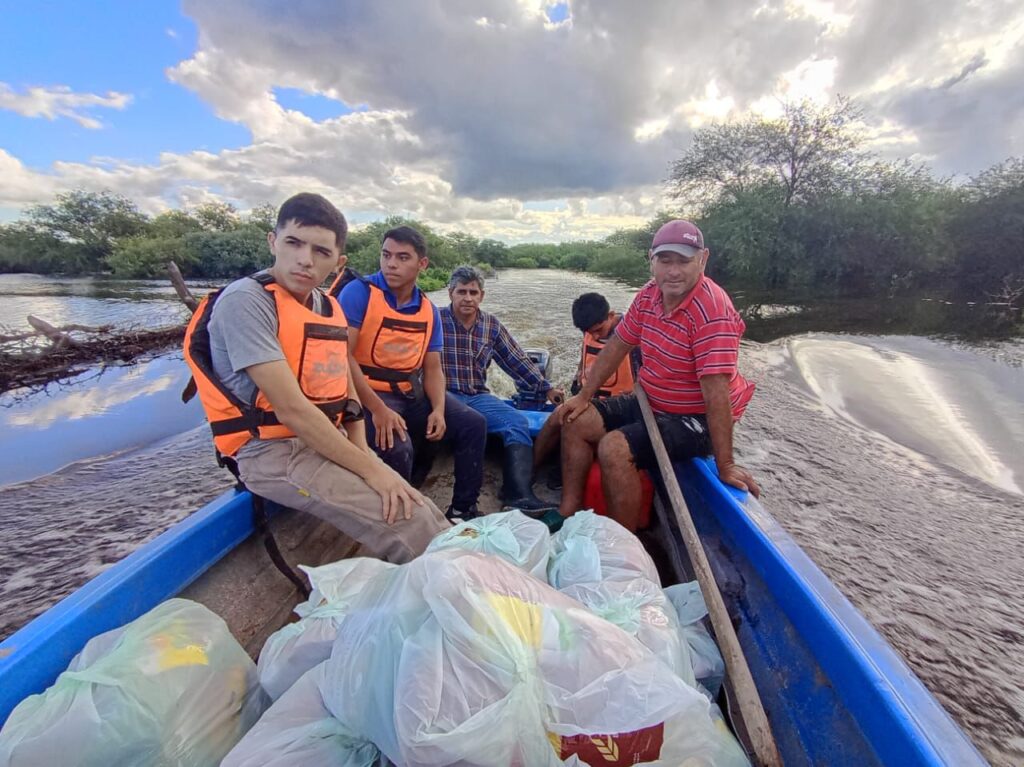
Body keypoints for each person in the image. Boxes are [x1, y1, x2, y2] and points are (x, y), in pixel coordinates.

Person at [183, 193, 448, 563]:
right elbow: (292, 410)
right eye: (294, 243)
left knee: (420, 506)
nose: (305, 260)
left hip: (323, 439)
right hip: (268, 452)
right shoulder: (246, 301)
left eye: (321, 252)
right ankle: (476, 605)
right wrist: (374, 472)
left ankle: (487, 589)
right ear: (273, 241)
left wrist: (367, 454)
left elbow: (348, 396)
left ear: (337, 261)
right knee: (409, 519)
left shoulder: (328, 306)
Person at [557, 219, 760, 532]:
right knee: (574, 418)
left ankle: (623, 547)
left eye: (684, 261)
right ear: (652, 260)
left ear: (703, 259)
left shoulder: (712, 312)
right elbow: (619, 344)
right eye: (665, 261)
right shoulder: (649, 295)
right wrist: (584, 395)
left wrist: (726, 464)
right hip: (651, 400)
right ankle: (567, 511)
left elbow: (717, 395)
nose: (674, 271)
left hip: (696, 418)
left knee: (614, 448)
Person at [337, 226, 487, 521]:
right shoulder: (358, 293)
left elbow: (432, 368)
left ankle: (462, 510)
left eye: (403, 257)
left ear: (422, 264)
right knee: (397, 447)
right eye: (386, 255)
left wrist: (440, 410)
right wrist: (377, 409)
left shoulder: (428, 310)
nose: (391, 264)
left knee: (473, 423)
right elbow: (342, 357)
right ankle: (401, 522)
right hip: (365, 392)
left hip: (409, 391)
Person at [439, 265, 564, 515]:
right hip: (442, 396)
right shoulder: (434, 320)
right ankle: (461, 505)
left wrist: (546, 388)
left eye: (473, 292)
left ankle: (517, 495)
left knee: (516, 422)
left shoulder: (490, 325)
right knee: (471, 423)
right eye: (461, 291)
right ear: (451, 293)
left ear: (481, 296)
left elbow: (515, 360)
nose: (468, 298)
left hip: (476, 395)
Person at [532, 292, 639, 476]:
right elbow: (583, 365)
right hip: (591, 401)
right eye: (590, 333)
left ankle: (568, 473)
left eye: (599, 330)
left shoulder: (635, 339)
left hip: (622, 408)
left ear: (611, 316)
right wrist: (578, 381)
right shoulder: (589, 332)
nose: (595, 336)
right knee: (558, 416)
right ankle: (529, 470)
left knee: (573, 422)